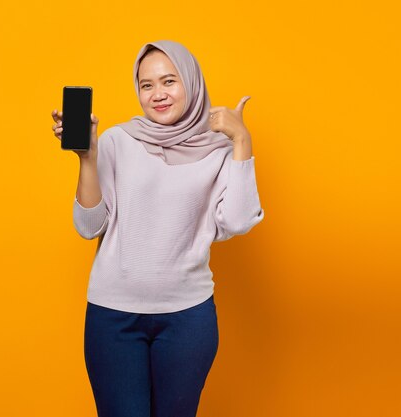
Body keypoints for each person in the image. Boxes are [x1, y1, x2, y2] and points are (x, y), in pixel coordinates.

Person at [51, 40, 264, 417]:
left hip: (187, 318)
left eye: (169, 81)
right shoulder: (117, 140)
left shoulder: (218, 150)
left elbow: (236, 221)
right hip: (112, 316)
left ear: (192, 83)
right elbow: (89, 227)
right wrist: (88, 158)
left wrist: (241, 141)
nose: (158, 94)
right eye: (147, 85)